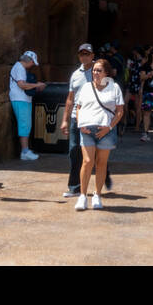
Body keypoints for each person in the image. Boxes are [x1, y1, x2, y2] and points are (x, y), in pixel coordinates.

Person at [60, 43, 112, 197]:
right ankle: (75, 186)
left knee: (96, 155)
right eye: (82, 54)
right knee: (74, 151)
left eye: (87, 54)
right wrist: (65, 119)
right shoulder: (75, 75)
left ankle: (99, 184)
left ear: (92, 55)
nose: (84, 56)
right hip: (77, 118)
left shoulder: (98, 72)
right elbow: (70, 99)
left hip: (94, 118)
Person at [73, 58, 123, 210]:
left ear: (106, 73)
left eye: (99, 70)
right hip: (87, 129)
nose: (95, 73)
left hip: (105, 130)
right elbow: (79, 107)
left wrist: (109, 127)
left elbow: (120, 111)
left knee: (101, 163)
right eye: (94, 70)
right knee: (87, 161)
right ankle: (82, 196)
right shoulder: (86, 87)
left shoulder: (114, 88)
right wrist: (80, 124)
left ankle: (97, 195)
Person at [9, 50, 46, 161]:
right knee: (24, 124)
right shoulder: (19, 67)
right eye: (32, 62)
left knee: (26, 124)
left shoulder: (20, 68)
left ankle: (25, 150)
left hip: (23, 99)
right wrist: (37, 85)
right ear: (28, 60)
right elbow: (22, 85)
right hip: (20, 99)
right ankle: (24, 151)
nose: (33, 65)